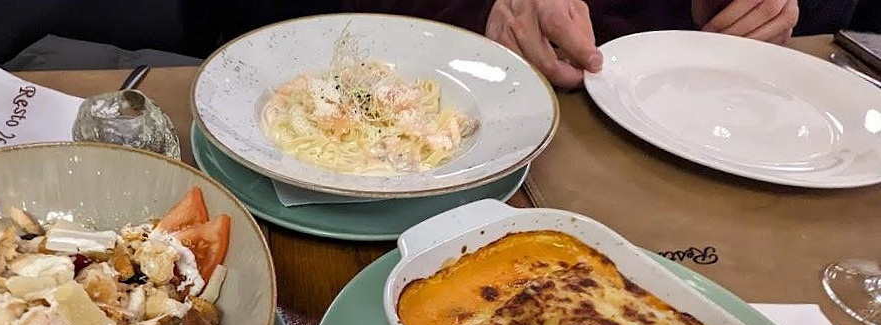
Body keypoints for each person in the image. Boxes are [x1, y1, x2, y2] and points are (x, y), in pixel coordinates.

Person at [345, 0, 860, 88]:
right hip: (477, 92)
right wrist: (488, 11)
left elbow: (839, 14)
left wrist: (781, 8)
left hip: (720, 100)